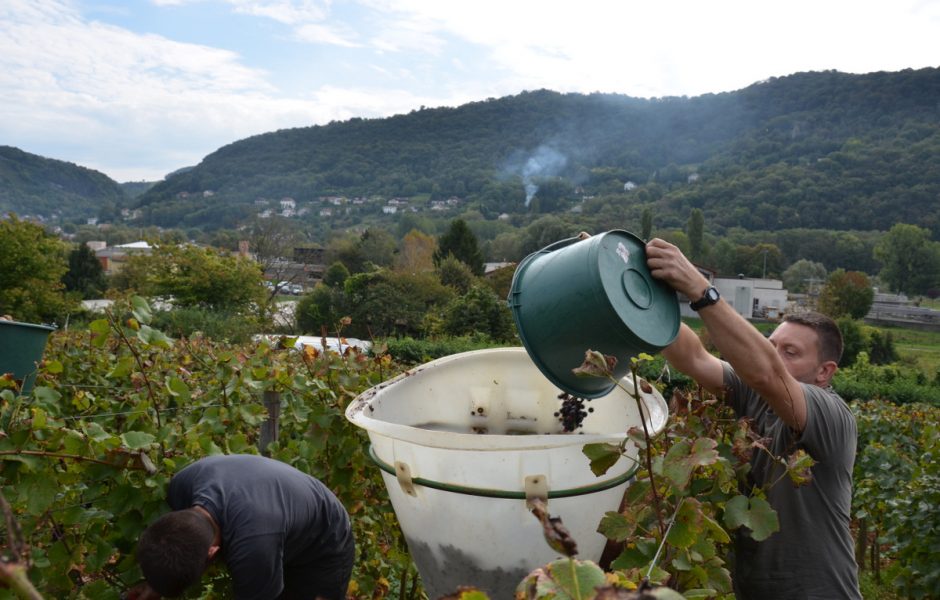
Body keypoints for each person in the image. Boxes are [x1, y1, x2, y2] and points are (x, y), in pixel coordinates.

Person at [644, 237, 861, 599]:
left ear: (825, 372)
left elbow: (767, 372)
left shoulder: (831, 415)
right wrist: (630, 295)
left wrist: (702, 291)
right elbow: (692, 357)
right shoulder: (754, 393)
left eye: (789, 352)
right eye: (770, 344)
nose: (775, 355)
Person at [128, 454, 354, 600]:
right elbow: (173, 544)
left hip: (325, 541)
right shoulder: (182, 486)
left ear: (213, 553)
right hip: (279, 516)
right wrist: (155, 584)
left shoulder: (254, 548)